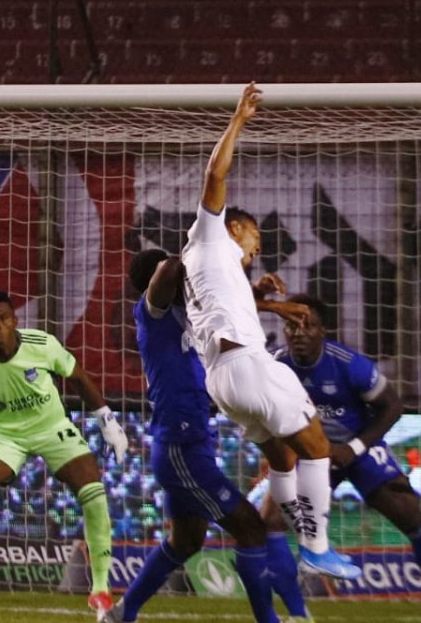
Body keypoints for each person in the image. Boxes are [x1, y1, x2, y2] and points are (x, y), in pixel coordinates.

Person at [177, 82, 359, 579]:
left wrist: (266, 299)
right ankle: (317, 546)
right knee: (317, 447)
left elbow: (224, 303)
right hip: (249, 366)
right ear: (235, 228)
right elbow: (215, 172)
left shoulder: (202, 263)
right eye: (255, 237)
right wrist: (238, 118)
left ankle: (292, 535)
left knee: (281, 460)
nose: (258, 247)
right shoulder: (212, 233)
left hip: (222, 380)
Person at [100, 250, 311, 623]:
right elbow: (168, 270)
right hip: (181, 447)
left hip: (190, 442)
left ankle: (123, 613)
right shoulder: (152, 312)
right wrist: (200, 246)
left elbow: (225, 310)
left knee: (186, 541)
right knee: (250, 527)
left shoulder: (190, 317)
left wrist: (253, 293)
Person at [0, 290, 129, 619]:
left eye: (3, 318)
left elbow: (77, 377)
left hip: (52, 427)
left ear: (14, 322)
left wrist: (108, 422)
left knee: (94, 494)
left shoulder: (41, 345)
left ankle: (100, 590)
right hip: (5, 432)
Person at [271, 293, 421, 622]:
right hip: (312, 455)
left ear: (323, 331)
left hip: (356, 446)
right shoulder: (275, 366)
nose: (298, 333)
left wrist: (353, 448)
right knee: (271, 524)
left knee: (410, 515)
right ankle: (298, 614)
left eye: (307, 325)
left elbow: (392, 407)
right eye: (291, 325)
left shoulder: (348, 364)